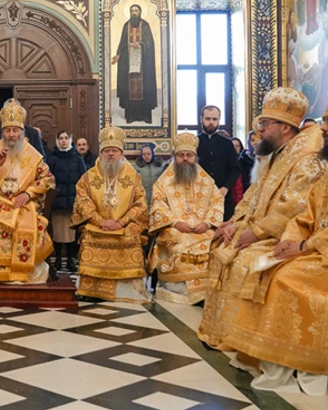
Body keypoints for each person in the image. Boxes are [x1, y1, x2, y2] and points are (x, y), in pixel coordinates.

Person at [220, 84, 328, 395]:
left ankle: (293, 365)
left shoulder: (311, 158)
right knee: (267, 264)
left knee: (282, 277)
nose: (322, 129)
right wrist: (291, 239)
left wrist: (303, 246)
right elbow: (307, 214)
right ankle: (258, 355)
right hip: (316, 248)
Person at [198, 87, 326, 351]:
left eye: (265, 125)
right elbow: (253, 194)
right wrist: (234, 222)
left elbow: (295, 206)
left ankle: (245, 339)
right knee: (221, 244)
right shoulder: (276, 155)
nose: (260, 132)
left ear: (285, 128)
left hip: (286, 235)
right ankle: (222, 332)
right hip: (257, 228)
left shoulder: (306, 159)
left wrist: (255, 233)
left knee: (244, 261)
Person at [0, 100, 55, 283]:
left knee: (30, 226)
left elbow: (47, 179)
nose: (11, 135)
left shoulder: (33, 155)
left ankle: (23, 274)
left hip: (23, 204)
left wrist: (28, 194)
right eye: (7, 130)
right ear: (2, 133)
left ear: (22, 132)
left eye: (15, 130)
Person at [72, 126, 150, 303]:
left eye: (115, 151)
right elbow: (82, 202)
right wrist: (100, 221)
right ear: (101, 153)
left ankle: (126, 291)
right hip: (98, 224)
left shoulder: (133, 177)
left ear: (121, 153)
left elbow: (140, 205)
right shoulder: (88, 177)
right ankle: (91, 290)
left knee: (131, 236)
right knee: (89, 237)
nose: (111, 155)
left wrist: (122, 222)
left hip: (123, 225)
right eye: (107, 151)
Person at [148, 132, 224, 305]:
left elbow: (217, 201)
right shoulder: (163, 181)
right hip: (175, 228)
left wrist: (207, 223)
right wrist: (175, 223)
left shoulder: (207, 180)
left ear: (195, 157)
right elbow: (157, 204)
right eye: (180, 155)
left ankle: (206, 291)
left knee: (214, 242)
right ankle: (180, 290)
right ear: (174, 157)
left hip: (202, 228)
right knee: (175, 239)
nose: (185, 159)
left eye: (189, 155)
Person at [47, 130, 86, 272]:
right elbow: (47, 179)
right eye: (61, 138)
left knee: (71, 234)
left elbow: (84, 180)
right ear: (57, 141)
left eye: (65, 138)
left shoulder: (77, 159)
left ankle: (69, 260)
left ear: (70, 140)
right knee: (58, 233)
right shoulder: (52, 159)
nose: (63, 141)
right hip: (57, 203)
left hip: (73, 203)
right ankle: (57, 259)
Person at [111, 4, 157, 124]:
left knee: (145, 89)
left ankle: (146, 116)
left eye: (136, 10)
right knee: (129, 88)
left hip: (143, 65)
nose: (134, 13)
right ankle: (130, 116)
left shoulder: (145, 25)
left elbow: (150, 43)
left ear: (140, 12)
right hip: (129, 63)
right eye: (132, 11)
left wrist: (140, 44)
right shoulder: (126, 26)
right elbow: (122, 43)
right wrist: (118, 55)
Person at [196, 105, 241, 220]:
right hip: (199, 196)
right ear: (201, 119)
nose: (211, 122)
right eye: (207, 119)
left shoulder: (227, 144)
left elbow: (235, 168)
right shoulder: (195, 142)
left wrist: (225, 187)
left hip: (223, 195)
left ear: (219, 120)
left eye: (214, 119)